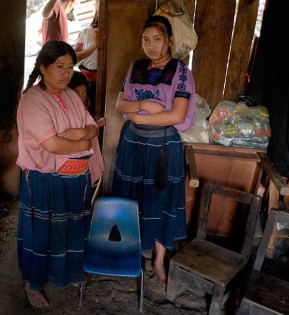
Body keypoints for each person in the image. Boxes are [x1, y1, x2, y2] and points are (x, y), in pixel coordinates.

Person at [112, 15, 196, 286]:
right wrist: (145, 105)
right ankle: (133, 253)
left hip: (164, 147)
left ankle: (158, 259)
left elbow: (176, 115)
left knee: (162, 201)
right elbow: (119, 104)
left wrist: (138, 115)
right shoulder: (136, 66)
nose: (151, 45)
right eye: (146, 39)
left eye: (157, 39)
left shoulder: (181, 71)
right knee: (132, 198)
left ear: (170, 41)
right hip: (133, 144)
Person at [16, 40, 98, 308]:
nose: (66, 73)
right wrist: (84, 142)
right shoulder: (33, 100)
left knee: (71, 229)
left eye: (70, 67)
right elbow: (51, 144)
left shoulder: (71, 95)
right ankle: (34, 284)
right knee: (42, 234)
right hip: (46, 180)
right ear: (43, 67)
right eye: (59, 67)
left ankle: (66, 273)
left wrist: (80, 134)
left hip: (76, 179)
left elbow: (92, 127)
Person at [68, 70, 105, 188]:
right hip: (72, 164)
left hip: (84, 162)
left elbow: (90, 127)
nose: (81, 97)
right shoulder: (63, 112)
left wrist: (96, 125)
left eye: (84, 93)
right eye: (76, 93)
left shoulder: (83, 110)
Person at [74, 6, 99, 116]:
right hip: (87, 81)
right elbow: (74, 57)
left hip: (108, 83)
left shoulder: (117, 33)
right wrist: (94, 47)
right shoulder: (86, 33)